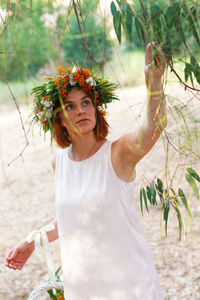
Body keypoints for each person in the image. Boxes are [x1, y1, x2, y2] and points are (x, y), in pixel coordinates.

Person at [5, 42, 167, 300]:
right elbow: (72, 218)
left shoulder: (118, 153)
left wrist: (155, 87)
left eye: (85, 102)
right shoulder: (59, 162)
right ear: (58, 118)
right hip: (84, 287)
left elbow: (154, 126)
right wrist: (31, 242)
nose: (80, 110)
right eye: (69, 106)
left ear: (95, 107)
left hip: (127, 285)